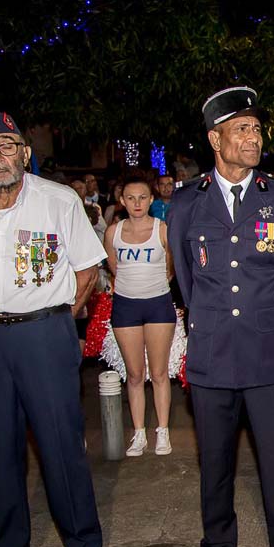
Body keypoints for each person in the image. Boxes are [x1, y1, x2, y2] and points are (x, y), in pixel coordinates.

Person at [168, 86, 274, 547]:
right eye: (242, 130)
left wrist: (267, 319)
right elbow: (186, 278)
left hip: (265, 347)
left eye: (256, 128)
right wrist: (209, 321)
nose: (254, 138)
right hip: (211, 350)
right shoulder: (188, 201)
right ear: (215, 139)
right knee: (214, 460)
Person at [0, 104, 104, 547]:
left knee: (60, 443)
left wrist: (60, 318)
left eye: (5, 147)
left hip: (42, 333)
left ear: (25, 152)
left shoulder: (58, 200)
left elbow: (87, 271)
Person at [103, 176, 176, 457]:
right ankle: (138, 434)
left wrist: (156, 284)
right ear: (122, 200)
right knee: (134, 375)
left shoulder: (163, 229)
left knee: (158, 373)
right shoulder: (113, 232)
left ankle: (162, 431)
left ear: (151, 199)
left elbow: (172, 267)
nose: (137, 203)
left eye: (143, 197)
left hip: (158, 304)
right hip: (125, 305)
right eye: (131, 198)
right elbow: (113, 266)